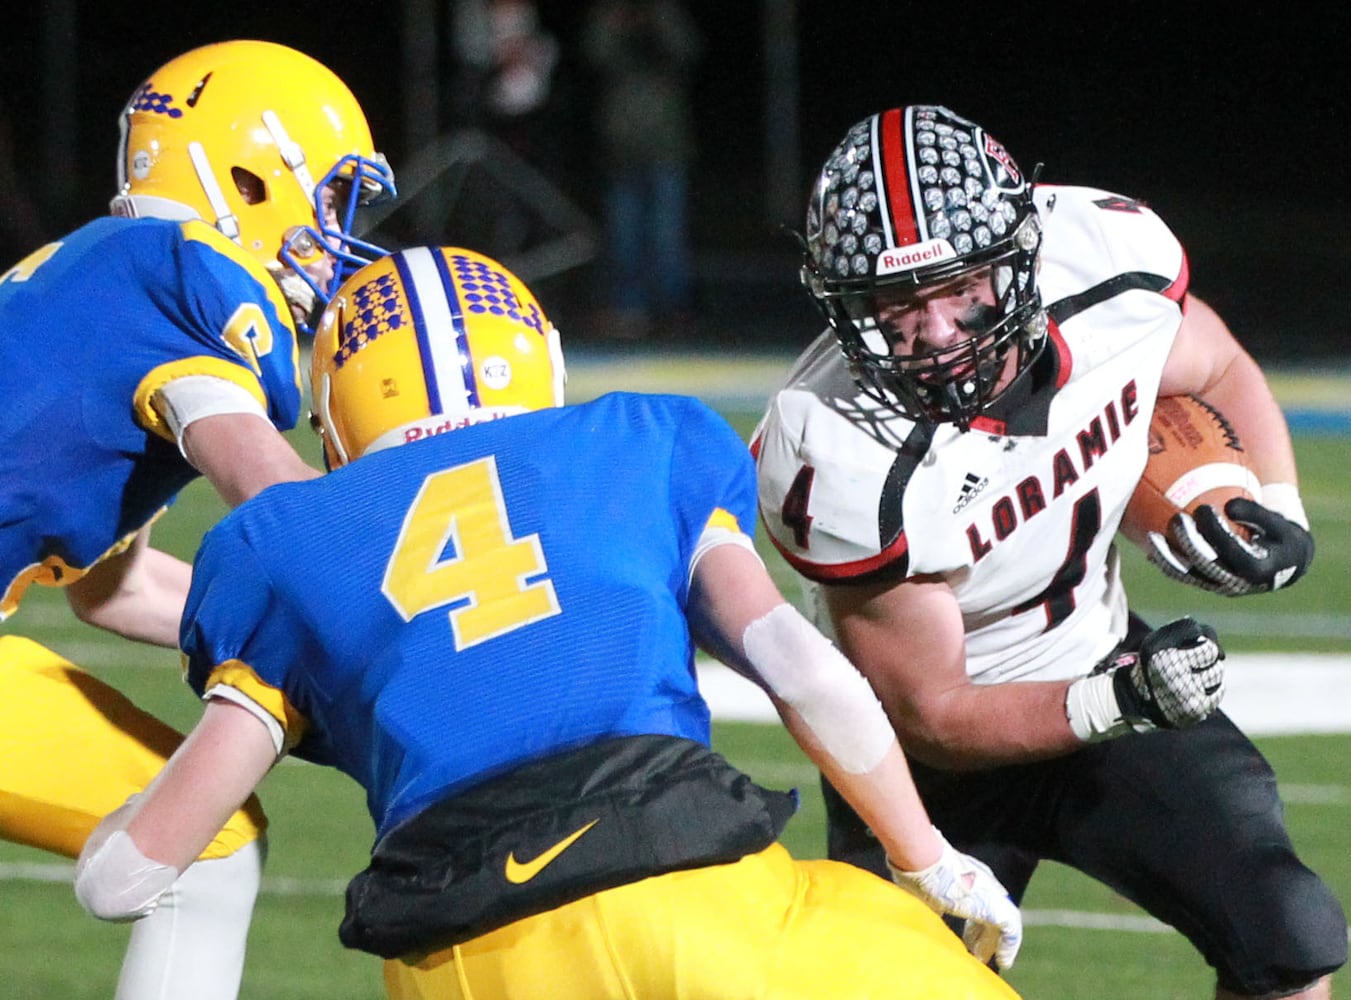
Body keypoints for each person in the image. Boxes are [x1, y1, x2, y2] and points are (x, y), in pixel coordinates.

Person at [73, 244, 1022, 999]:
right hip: (687, 894)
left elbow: (120, 881)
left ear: (336, 419)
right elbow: (802, 670)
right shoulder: (642, 440)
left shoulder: (282, 545)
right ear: (539, 358)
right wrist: (929, 861)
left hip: (459, 964)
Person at [752, 104, 1347, 999]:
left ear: (1020, 256)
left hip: (1095, 654)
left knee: (1287, 930)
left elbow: (1215, 367)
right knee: (900, 988)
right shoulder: (835, 448)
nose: (940, 335)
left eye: (960, 289)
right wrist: (1124, 696)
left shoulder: (1106, 268)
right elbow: (933, 715)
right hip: (927, 766)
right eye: (895, 304)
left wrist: (1268, 502)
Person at [0, 39, 396, 999]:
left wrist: (309, 672)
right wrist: (418, 610)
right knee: (208, 848)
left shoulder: (89, 271)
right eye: (328, 200)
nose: (334, 233)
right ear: (249, 182)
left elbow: (117, 589)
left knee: (210, 837)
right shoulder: (187, 276)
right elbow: (283, 506)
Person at [582, 0, 702, 339]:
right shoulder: (610, 13)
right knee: (624, 234)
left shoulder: (665, 12)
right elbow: (595, 53)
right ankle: (628, 308)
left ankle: (672, 308)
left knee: (667, 234)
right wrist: (619, 18)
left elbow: (686, 51)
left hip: (666, 144)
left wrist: (658, 16)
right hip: (621, 146)